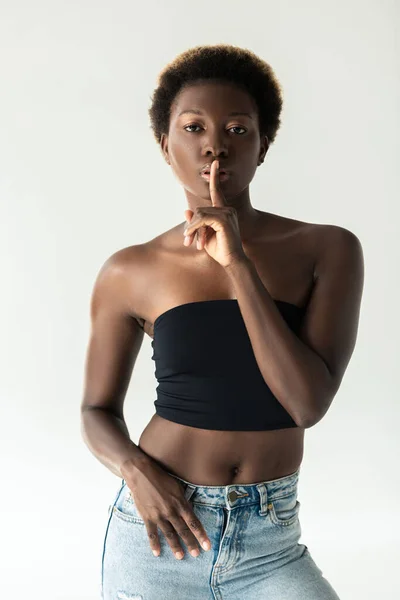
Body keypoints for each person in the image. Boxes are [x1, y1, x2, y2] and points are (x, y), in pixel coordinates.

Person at [80, 43, 364, 600]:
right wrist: (138, 474)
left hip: (271, 542)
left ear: (263, 147)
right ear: (166, 146)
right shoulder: (130, 269)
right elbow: (95, 411)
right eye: (193, 127)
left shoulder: (326, 249)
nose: (214, 144)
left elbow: (306, 404)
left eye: (237, 129)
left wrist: (237, 264)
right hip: (160, 532)